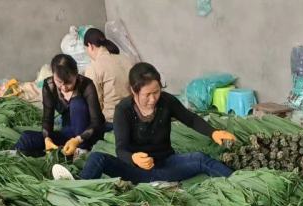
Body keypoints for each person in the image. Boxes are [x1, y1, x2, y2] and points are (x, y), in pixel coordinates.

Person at [60, 62, 235, 183]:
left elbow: (190, 119)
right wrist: (133, 158)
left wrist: (213, 132)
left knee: (201, 159)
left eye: (156, 92)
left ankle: (240, 181)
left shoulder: (166, 101)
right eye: (147, 94)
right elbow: (120, 149)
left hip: (166, 165)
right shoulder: (123, 109)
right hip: (134, 170)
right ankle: (78, 187)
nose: (153, 99)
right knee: (97, 158)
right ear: (134, 92)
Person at [15, 54, 105, 157]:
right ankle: (13, 156)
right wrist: (47, 138)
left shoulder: (86, 85)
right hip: (68, 132)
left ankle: (81, 152)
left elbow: (97, 121)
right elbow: (47, 119)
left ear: (76, 74)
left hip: (88, 134)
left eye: (69, 83)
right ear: (53, 74)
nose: (64, 88)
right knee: (27, 138)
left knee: (77, 104)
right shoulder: (49, 85)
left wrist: (78, 140)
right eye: (59, 82)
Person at [83, 28, 133, 126]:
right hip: (133, 115)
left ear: (90, 46)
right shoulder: (125, 59)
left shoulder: (94, 67)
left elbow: (94, 103)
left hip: (112, 120)